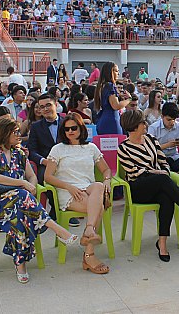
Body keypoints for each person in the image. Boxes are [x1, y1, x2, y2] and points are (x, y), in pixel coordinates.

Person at [0, 117, 78, 283]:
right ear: (4, 133)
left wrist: (30, 186)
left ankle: (20, 264)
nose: (20, 135)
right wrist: (23, 184)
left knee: (20, 215)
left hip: (20, 202)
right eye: (16, 132)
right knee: (22, 198)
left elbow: (32, 176)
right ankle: (56, 228)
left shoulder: (19, 153)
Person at [117, 109, 179, 261]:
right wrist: (156, 172)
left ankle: (162, 243)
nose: (146, 124)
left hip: (158, 184)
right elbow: (134, 171)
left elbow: (163, 161)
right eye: (142, 122)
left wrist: (164, 171)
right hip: (138, 188)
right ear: (134, 126)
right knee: (161, 179)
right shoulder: (123, 148)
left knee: (166, 197)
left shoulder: (150, 140)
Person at [44, 112, 112, 274]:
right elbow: (47, 177)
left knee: (98, 185)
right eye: (67, 129)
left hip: (88, 189)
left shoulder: (91, 148)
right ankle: (89, 254)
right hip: (69, 192)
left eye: (74, 128)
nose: (70, 131)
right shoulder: (58, 149)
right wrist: (69, 187)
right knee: (99, 208)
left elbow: (106, 169)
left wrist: (107, 179)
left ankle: (89, 231)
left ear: (81, 128)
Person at [147, 102, 179, 172]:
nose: (172, 122)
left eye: (174, 119)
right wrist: (167, 145)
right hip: (158, 158)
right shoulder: (153, 128)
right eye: (169, 119)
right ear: (162, 117)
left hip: (175, 157)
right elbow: (150, 149)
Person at [94, 62, 130, 135]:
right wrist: (129, 99)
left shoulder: (102, 86)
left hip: (104, 118)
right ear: (111, 72)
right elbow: (116, 106)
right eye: (116, 71)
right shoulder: (109, 85)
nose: (118, 74)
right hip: (111, 120)